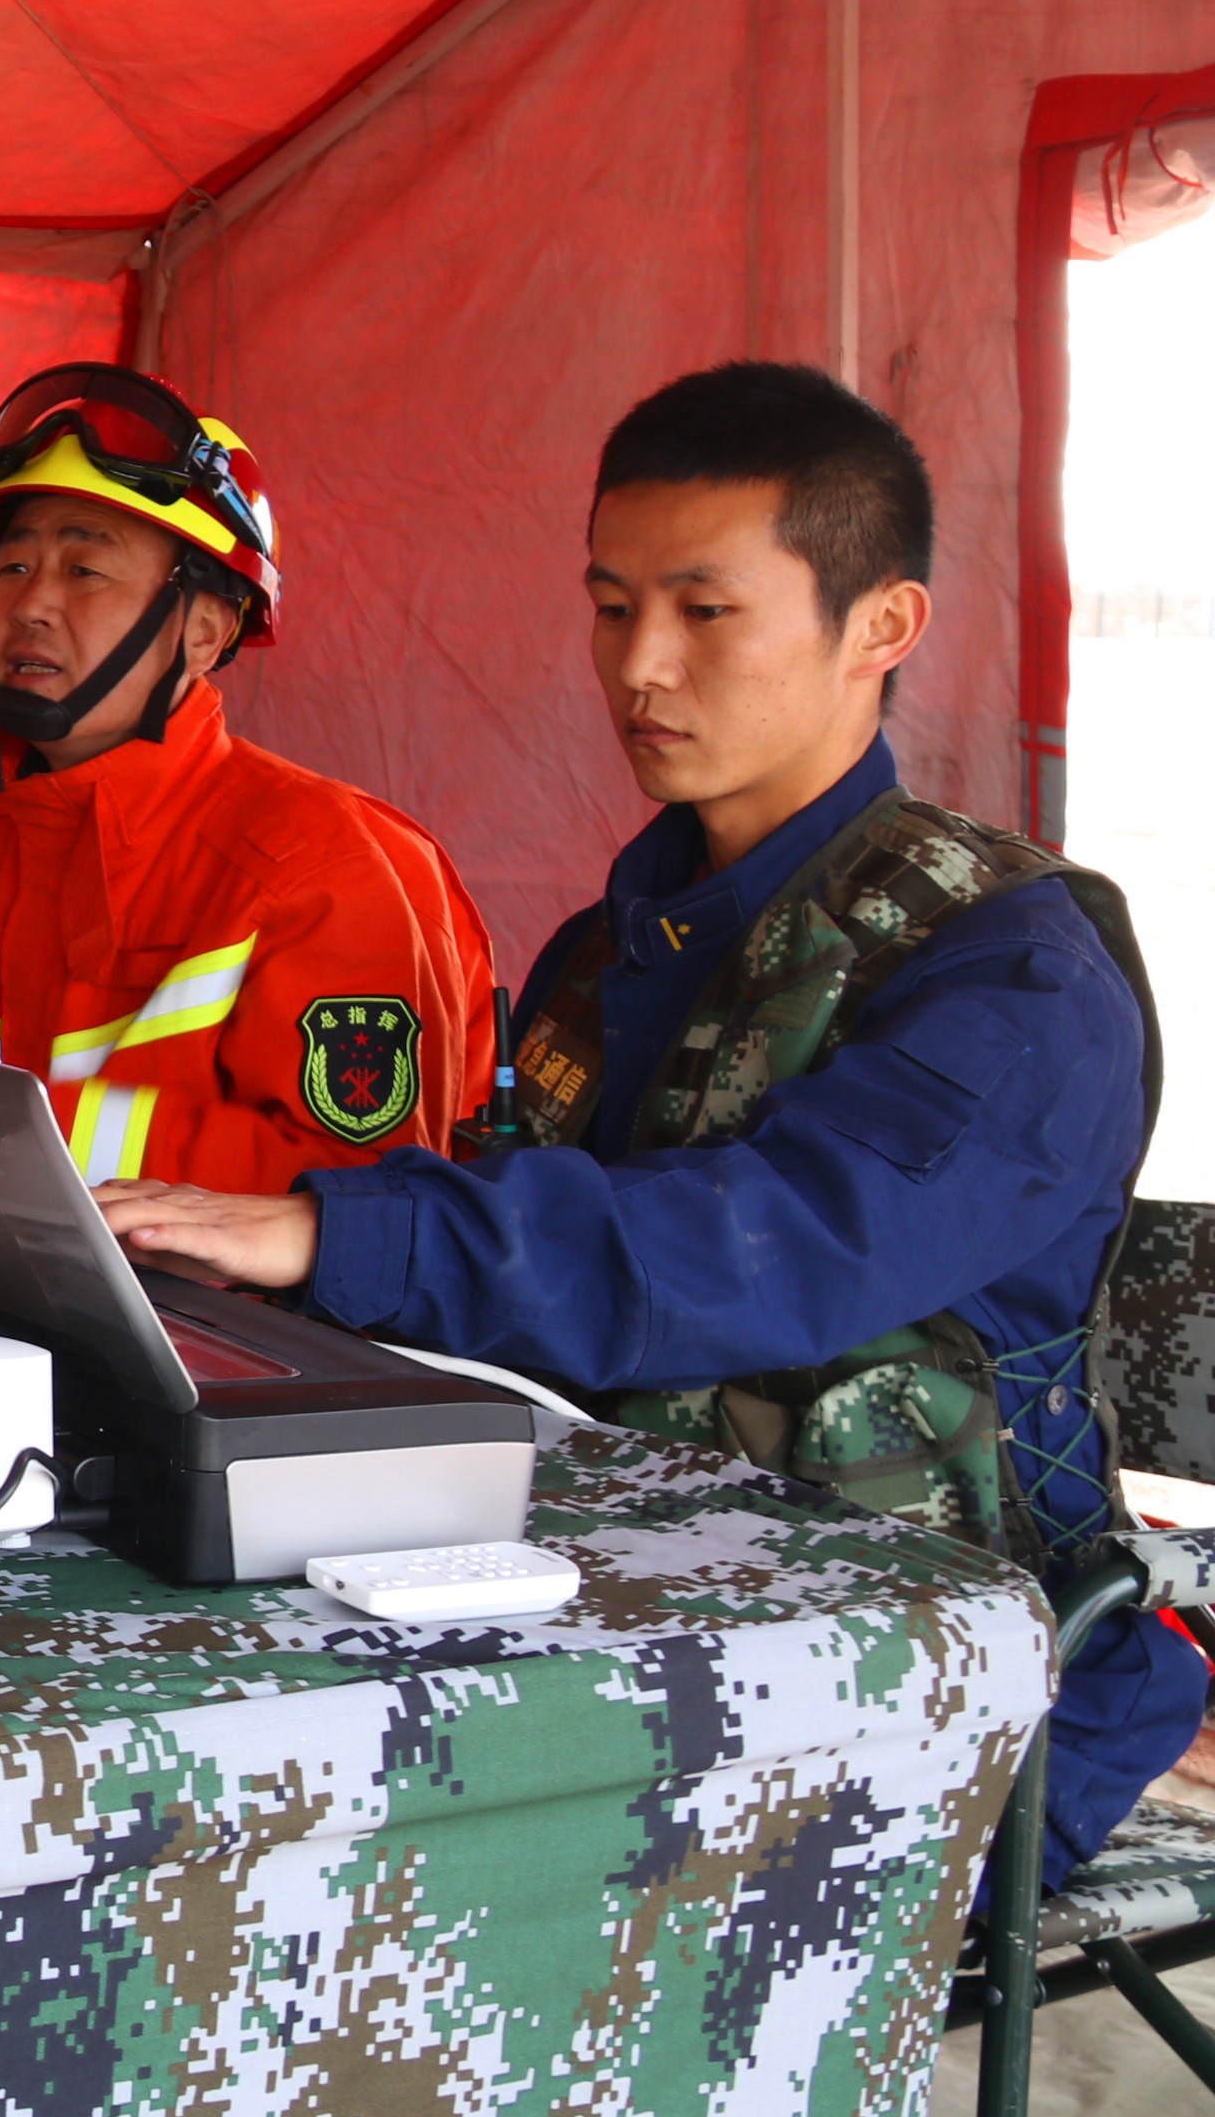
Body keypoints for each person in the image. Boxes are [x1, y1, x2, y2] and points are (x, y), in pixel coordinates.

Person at [98, 361, 1200, 1886]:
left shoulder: (1012, 972)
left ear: (881, 627)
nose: (640, 669)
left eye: (705, 610)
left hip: (947, 1671)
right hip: (637, 1604)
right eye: (613, 608)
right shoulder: (621, 942)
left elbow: (770, 1251)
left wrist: (339, 1232)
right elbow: (520, 1248)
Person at [0, 363, 495, 1192]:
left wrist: (7, 1131)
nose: (31, 605)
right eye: (12, 567)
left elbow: (365, 1199)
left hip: (207, 1323)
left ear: (207, 631)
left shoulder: (331, 868)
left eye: (84, 571)